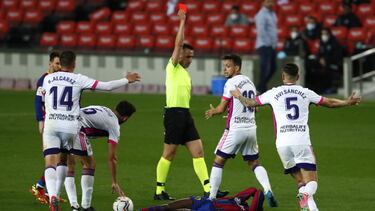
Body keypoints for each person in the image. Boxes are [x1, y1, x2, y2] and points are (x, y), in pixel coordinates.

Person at [230, 63, 361, 211]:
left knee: (301, 182)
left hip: (282, 145)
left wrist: (238, 95)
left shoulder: (273, 92)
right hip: (301, 142)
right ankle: (305, 194)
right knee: (312, 183)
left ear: (282, 76)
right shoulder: (305, 92)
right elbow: (329, 103)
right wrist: (347, 102)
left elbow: (250, 103)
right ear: (298, 77)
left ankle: (307, 204)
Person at [41, 50, 140, 211]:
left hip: (51, 124)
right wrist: (126, 80)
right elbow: (106, 86)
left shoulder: (47, 78)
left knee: (53, 163)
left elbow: (43, 99)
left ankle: (53, 195)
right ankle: (82, 206)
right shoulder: (78, 79)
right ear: (74, 64)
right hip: (71, 126)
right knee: (88, 163)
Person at [154, 8, 228, 200]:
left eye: (192, 57)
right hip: (173, 115)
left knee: (198, 151)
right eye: (187, 56)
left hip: (184, 114)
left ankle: (209, 190)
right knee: (169, 153)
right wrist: (182, 22)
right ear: (178, 55)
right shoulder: (173, 66)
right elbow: (178, 43)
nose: (190, 60)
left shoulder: (184, 73)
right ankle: (159, 190)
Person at [204, 54, 278, 207]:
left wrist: (213, 112)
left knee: (218, 161)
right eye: (224, 66)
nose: (225, 69)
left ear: (236, 67)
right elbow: (254, 106)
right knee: (254, 163)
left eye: (228, 66)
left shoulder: (231, 83)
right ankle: (268, 189)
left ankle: (210, 199)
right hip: (251, 128)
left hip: (235, 129)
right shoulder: (250, 82)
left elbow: (220, 108)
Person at [64, 101, 136, 211]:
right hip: (76, 129)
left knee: (70, 164)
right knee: (90, 165)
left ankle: (74, 206)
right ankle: (85, 207)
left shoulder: (103, 108)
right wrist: (114, 181)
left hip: (63, 123)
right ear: (125, 118)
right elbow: (112, 158)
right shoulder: (114, 125)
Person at [30, 51, 66, 205]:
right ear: (50, 63)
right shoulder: (44, 80)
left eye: (60, 64)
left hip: (57, 122)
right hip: (48, 122)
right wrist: (40, 121)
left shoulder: (56, 78)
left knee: (58, 159)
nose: (59, 67)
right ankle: (41, 187)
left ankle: (42, 187)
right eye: (57, 63)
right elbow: (39, 101)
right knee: (55, 159)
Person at [142, 187, 264, 211]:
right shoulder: (239, 200)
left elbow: (258, 194)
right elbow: (255, 190)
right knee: (168, 207)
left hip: (209, 209)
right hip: (203, 201)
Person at [255, 0, 277, 93]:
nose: (270, 3)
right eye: (268, 1)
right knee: (265, 67)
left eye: (271, 1)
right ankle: (261, 88)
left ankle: (261, 86)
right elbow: (261, 30)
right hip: (264, 44)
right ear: (263, 3)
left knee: (273, 67)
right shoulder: (261, 14)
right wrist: (268, 43)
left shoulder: (272, 13)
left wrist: (273, 44)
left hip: (271, 45)